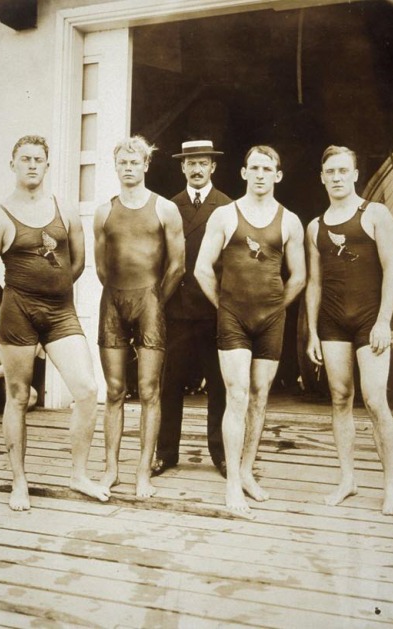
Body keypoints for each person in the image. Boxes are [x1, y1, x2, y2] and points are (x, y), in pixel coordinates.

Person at [0, 135, 109, 511]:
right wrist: (14, 308)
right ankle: (19, 482)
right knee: (18, 398)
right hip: (17, 315)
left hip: (60, 313)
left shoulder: (64, 210)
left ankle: (78, 474)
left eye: (39, 159)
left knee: (85, 391)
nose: (32, 164)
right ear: (13, 164)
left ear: (47, 166)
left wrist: (53, 296)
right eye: (25, 159)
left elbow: (78, 264)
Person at [195, 145, 306, 514]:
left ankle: (245, 472)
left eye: (267, 168)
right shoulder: (225, 216)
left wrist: (276, 308)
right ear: (244, 173)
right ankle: (231, 486)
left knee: (259, 397)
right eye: (254, 168)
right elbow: (201, 268)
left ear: (278, 175)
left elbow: (300, 276)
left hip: (271, 319)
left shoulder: (290, 221)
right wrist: (224, 306)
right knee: (237, 395)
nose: (260, 174)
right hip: (234, 318)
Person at [306, 145, 393, 516]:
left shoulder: (375, 214)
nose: (336, 177)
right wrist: (312, 332)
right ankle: (348, 479)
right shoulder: (316, 225)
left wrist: (383, 320)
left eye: (343, 170)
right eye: (330, 171)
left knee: (375, 399)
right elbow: (314, 283)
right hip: (332, 322)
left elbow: (392, 270)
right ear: (322, 176)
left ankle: (391, 485)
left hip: (369, 320)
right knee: (340, 397)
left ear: (356, 174)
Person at [94, 135, 185, 498]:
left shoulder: (165, 209)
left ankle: (143, 473)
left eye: (135, 162)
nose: (128, 168)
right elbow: (101, 268)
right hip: (113, 302)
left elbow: (177, 265)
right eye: (123, 163)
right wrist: (122, 294)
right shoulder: (104, 211)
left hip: (151, 301)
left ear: (146, 165)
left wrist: (154, 300)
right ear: (115, 167)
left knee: (149, 390)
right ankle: (111, 469)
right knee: (114, 390)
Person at [152, 140, 231, 479]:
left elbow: (233, 264)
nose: (197, 169)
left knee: (220, 385)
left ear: (213, 166)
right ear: (181, 168)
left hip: (215, 310)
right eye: (190, 164)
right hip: (178, 311)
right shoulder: (168, 207)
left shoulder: (228, 207)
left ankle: (222, 455)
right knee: (170, 386)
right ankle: (165, 453)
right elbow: (160, 260)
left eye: (203, 163)